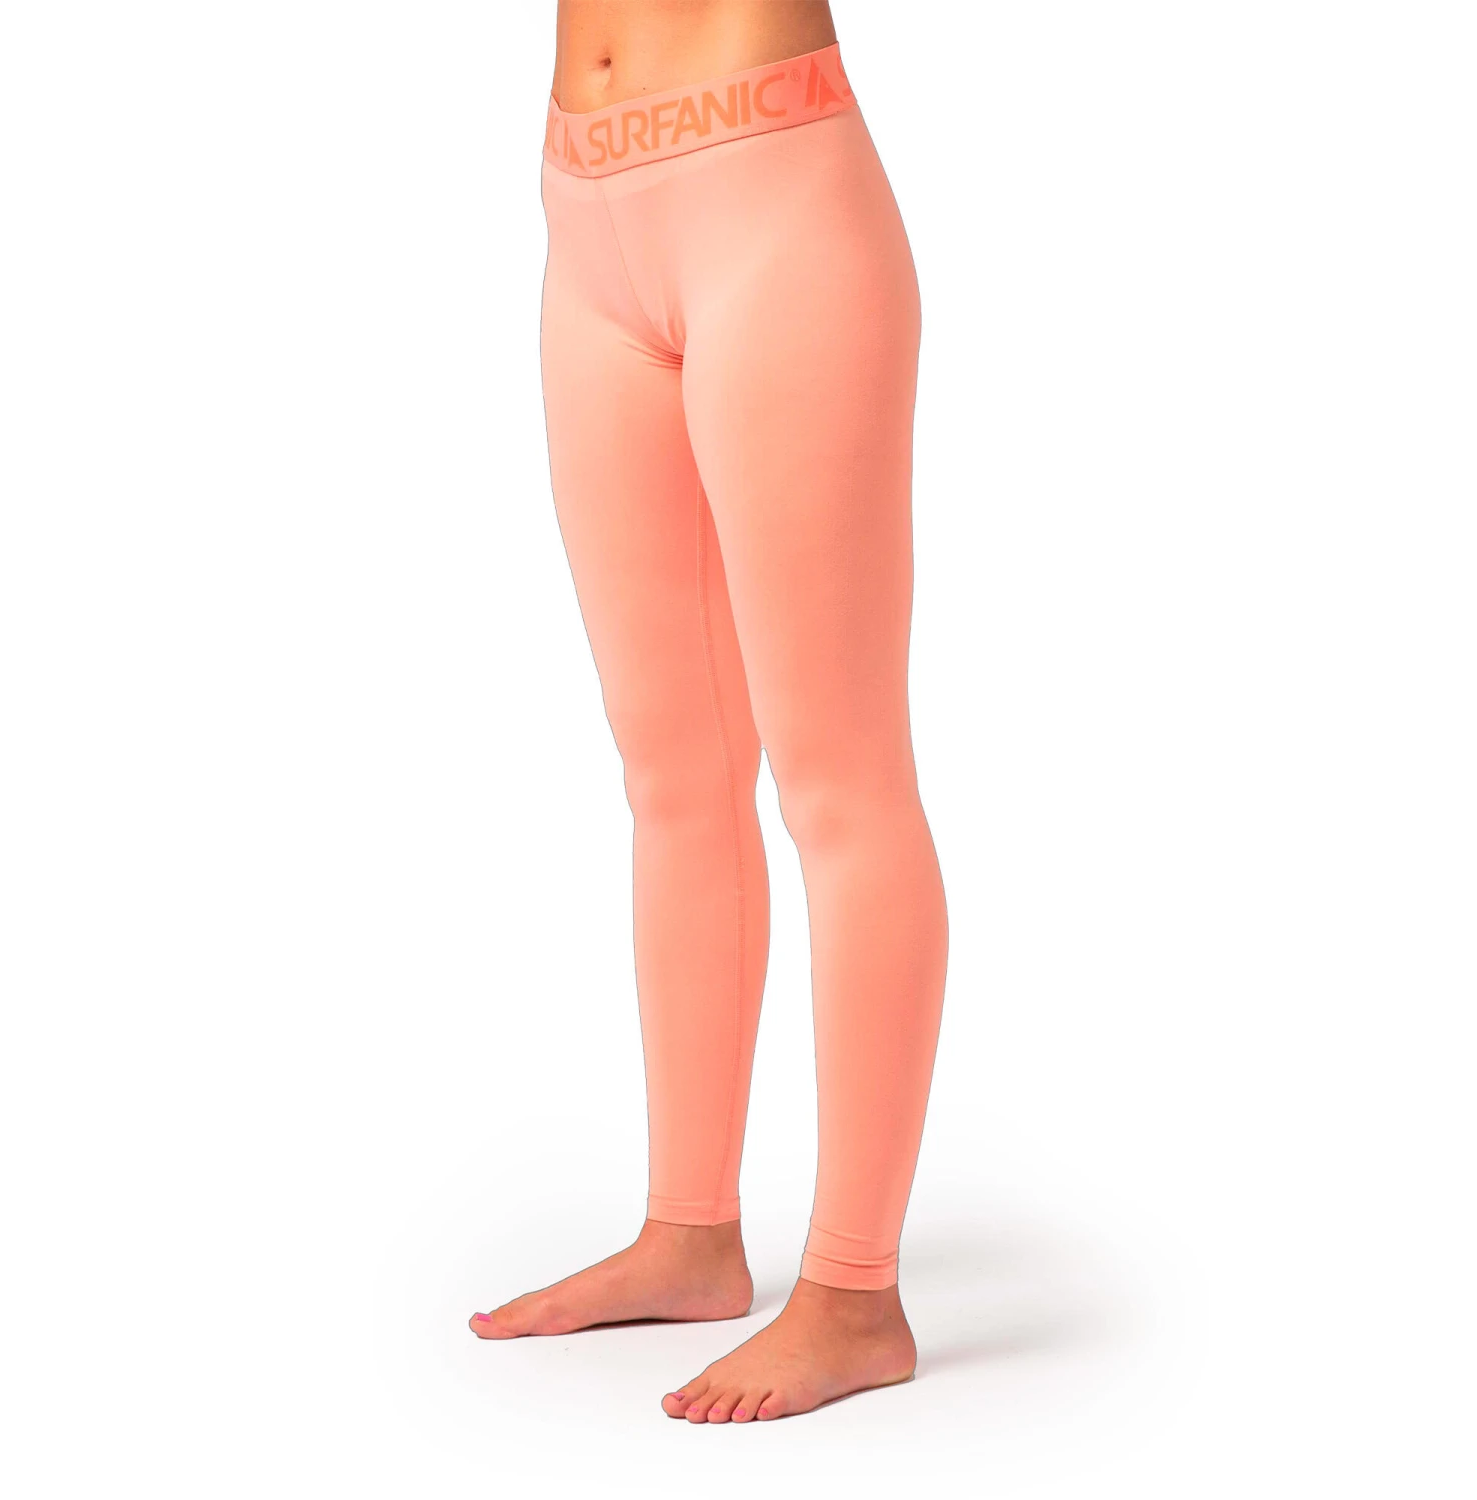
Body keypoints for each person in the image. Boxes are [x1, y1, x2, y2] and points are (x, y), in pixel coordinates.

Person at [471, 0, 949, 1424]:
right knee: (670, 776)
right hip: (584, 212)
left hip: (771, 191)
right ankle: (690, 1234)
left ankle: (854, 1293)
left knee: (838, 781)